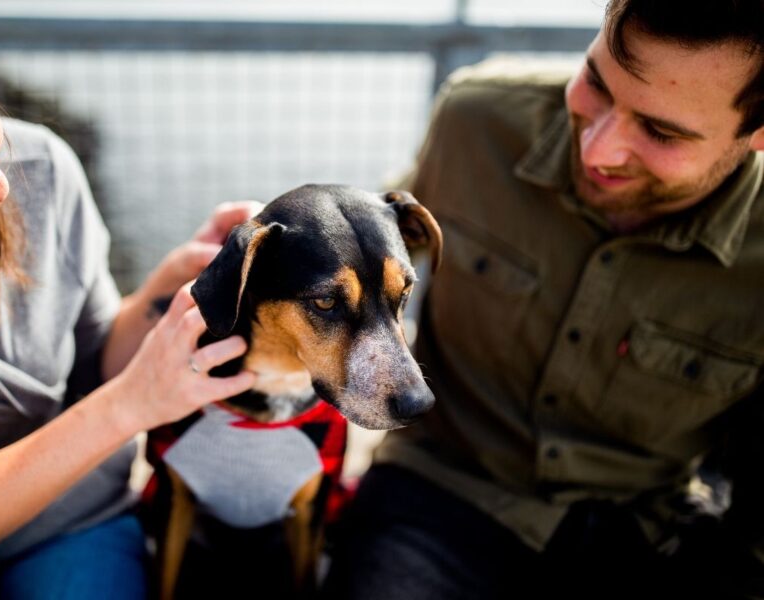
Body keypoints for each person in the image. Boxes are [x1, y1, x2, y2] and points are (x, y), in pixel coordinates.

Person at [324, 1, 764, 599]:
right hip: (436, 493)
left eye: (662, 132)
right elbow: (365, 260)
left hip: (643, 535)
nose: (598, 149)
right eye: (595, 84)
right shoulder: (473, 120)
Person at [0, 1, 258, 597]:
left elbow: (94, 355)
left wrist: (163, 291)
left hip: (73, 525)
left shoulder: (41, 167)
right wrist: (127, 408)